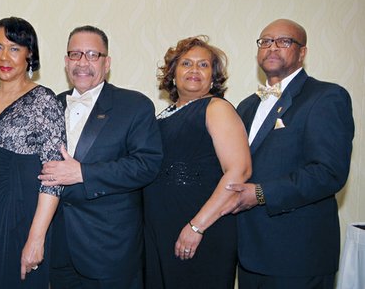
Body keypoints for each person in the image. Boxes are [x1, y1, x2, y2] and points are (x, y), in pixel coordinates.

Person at [228, 19, 354, 288]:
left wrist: (260, 193)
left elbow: (328, 172)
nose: (272, 47)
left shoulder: (326, 96)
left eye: (284, 41)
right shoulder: (247, 106)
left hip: (297, 257)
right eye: (265, 41)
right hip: (250, 253)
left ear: (302, 52)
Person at [39, 25, 163, 288]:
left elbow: (146, 165)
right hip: (58, 248)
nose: (83, 62)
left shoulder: (134, 105)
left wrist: (83, 173)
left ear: (107, 63)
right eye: (75, 54)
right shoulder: (49, 105)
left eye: (93, 55)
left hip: (110, 250)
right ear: (65, 62)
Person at [0, 16, 66, 288]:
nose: (4, 56)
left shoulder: (44, 100)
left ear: (30, 54)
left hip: (25, 217)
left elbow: (54, 177)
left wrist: (37, 237)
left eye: (14, 48)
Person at [143, 36, 251, 288]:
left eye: (203, 65)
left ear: (213, 77)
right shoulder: (163, 116)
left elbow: (239, 170)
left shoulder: (216, 108)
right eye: (186, 64)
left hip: (202, 230)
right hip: (162, 231)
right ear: (172, 74)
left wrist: (196, 227)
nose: (194, 70)